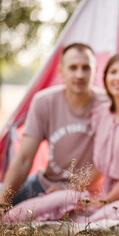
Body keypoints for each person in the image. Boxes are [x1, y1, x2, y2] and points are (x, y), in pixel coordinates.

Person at [4, 52, 119, 223]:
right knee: (18, 214)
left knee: (91, 221)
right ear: (105, 77)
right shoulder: (103, 115)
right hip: (105, 194)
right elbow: (100, 166)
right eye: (113, 72)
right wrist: (70, 190)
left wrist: (103, 201)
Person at [0, 43, 106, 207]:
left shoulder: (108, 104)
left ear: (95, 70)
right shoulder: (43, 101)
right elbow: (23, 159)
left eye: (86, 68)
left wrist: (69, 191)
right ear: (61, 71)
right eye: (72, 67)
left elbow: (105, 162)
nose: (79, 74)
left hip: (87, 193)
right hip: (43, 186)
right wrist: (3, 202)